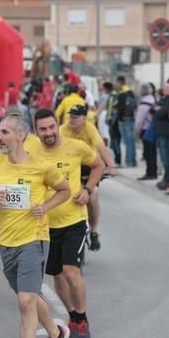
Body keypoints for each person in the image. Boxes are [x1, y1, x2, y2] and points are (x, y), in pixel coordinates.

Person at [0, 115, 72, 338]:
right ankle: (56, 334)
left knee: (25, 302)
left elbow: (64, 190)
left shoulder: (41, 167)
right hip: (7, 242)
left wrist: (46, 207)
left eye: (4, 132)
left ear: (21, 135)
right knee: (26, 296)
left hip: (34, 239)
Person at [33, 109, 104, 338]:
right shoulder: (31, 150)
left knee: (71, 270)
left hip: (74, 220)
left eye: (51, 127)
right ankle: (73, 315)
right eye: (43, 129)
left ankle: (82, 319)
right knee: (57, 275)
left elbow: (98, 165)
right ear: (36, 131)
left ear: (57, 125)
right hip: (45, 225)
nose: (48, 133)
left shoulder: (75, 147)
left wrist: (88, 189)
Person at [59, 105, 118, 252]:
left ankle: (94, 230)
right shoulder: (63, 129)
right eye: (70, 116)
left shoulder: (90, 129)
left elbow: (102, 149)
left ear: (84, 119)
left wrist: (111, 166)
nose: (71, 120)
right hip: (71, 166)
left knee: (93, 197)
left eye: (75, 117)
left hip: (90, 166)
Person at [154, 78, 169, 190]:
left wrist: (158, 110)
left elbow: (161, 113)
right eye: (164, 88)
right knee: (163, 157)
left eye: (168, 88)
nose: (165, 90)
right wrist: (157, 109)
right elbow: (153, 110)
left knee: (167, 158)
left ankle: (168, 180)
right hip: (160, 132)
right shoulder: (162, 99)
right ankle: (166, 179)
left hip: (166, 133)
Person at [135, 83, 157, 180]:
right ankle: (154, 171)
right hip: (154, 128)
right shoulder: (154, 100)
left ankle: (149, 173)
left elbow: (140, 119)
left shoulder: (144, 103)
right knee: (153, 152)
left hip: (146, 129)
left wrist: (137, 130)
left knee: (148, 152)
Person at [114, 76, 137, 167]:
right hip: (131, 118)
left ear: (119, 82)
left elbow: (120, 108)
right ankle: (133, 160)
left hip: (124, 119)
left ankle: (128, 161)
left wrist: (119, 118)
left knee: (127, 142)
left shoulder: (122, 93)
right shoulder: (130, 92)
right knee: (131, 141)